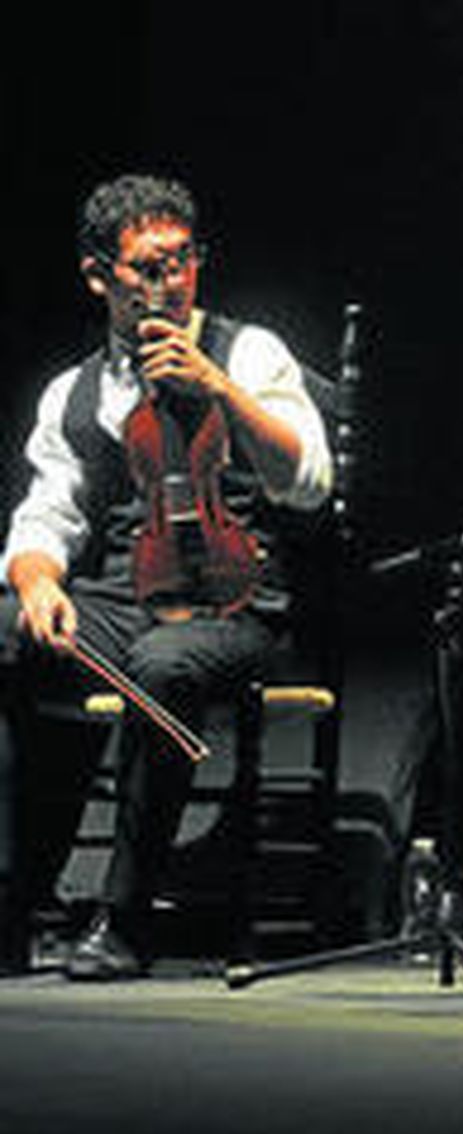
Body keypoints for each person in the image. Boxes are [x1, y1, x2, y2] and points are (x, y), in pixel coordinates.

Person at [0, 174, 332, 979]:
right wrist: (39, 580)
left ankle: (125, 915)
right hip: (123, 594)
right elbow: (47, 515)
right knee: (11, 629)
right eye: (149, 267)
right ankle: (15, 900)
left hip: (238, 599)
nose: (171, 283)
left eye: (183, 262)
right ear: (98, 276)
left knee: (163, 666)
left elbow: (311, 480)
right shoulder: (71, 393)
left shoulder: (248, 352)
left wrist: (218, 388)